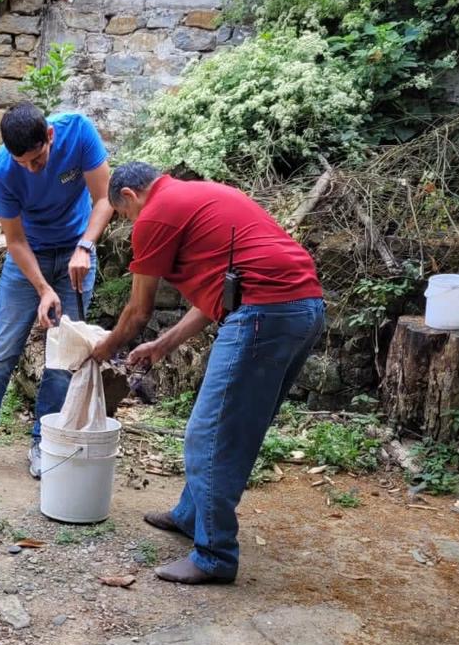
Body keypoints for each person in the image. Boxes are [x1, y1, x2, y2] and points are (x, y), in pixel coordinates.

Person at [91, 162, 324, 585]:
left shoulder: (157, 214)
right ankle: (190, 515)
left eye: (126, 218)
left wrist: (99, 351)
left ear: (129, 196)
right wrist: (164, 345)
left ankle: (214, 554)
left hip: (263, 313)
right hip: (302, 308)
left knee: (209, 433)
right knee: (232, 427)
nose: (131, 226)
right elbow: (220, 291)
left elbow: (137, 312)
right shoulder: (203, 195)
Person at [0, 103, 113, 479]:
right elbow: (15, 241)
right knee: (2, 352)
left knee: (62, 355)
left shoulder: (78, 131)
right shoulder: (4, 169)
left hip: (76, 252)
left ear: (50, 137)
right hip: (28, 260)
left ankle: (42, 441)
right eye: (23, 163)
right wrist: (42, 289)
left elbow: (104, 199)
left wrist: (85, 247)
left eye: (37, 160)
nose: (31, 169)